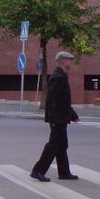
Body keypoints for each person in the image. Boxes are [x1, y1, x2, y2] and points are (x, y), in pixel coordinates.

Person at [30, 51, 79, 182]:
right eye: (69, 60)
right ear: (62, 61)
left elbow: (63, 100)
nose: (71, 62)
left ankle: (64, 172)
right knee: (54, 144)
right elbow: (53, 99)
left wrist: (72, 115)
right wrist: (55, 118)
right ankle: (38, 171)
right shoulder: (58, 77)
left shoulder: (61, 76)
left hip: (60, 116)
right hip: (57, 117)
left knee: (62, 145)